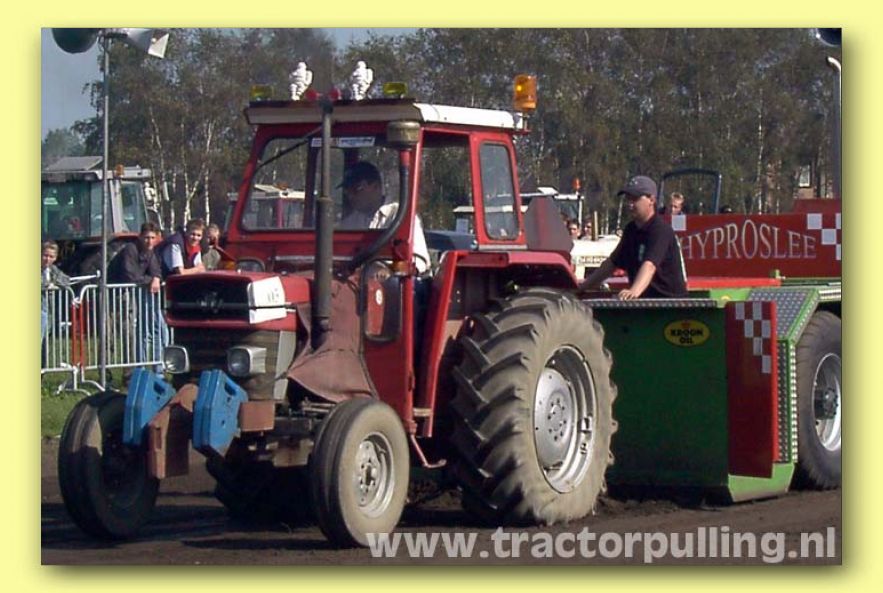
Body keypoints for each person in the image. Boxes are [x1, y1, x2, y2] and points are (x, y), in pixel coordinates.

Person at [579, 175, 687, 300]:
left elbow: (650, 265)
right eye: (628, 199)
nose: (630, 204)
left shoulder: (660, 230)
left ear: (651, 200)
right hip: (644, 302)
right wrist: (582, 288)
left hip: (669, 304)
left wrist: (634, 291)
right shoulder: (631, 230)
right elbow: (611, 264)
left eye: (635, 199)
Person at [337, 161, 430, 275]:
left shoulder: (400, 216)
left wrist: (389, 270)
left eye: (356, 189)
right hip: (356, 282)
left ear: (376, 187)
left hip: (395, 284)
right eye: (347, 191)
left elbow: (419, 264)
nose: (351, 196)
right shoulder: (349, 224)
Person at [108, 222, 167, 368]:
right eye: (146, 237)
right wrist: (150, 280)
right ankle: (111, 370)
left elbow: (156, 270)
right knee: (113, 333)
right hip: (114, 293)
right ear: (140, 237)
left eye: (152, 238)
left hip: (133, 293)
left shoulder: (151, 251)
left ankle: (146, 368)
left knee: (145, 330)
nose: (149, 241)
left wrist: (156, 278)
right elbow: (131, 275)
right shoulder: (130, 249)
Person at [41, 240, 70, 345]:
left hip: (48, 310)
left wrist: (55, 283)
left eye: (51, 257)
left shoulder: (52, 269)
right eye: (45, 255)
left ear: (55, 258)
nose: (47, 259)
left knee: (44, 342)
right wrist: (46, 285)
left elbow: (66, 280)